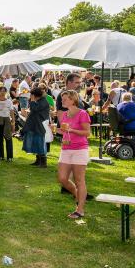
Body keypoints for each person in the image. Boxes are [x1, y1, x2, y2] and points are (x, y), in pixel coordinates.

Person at [56, 90, 91, 219]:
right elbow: (66, 131)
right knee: (62, 178)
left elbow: (87, 133)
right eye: (62, 99)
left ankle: (80, 210)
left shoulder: (82, 114)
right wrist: (57, 130)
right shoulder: (65, 114)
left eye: (65, 99)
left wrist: (71, 130)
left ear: (72, 100)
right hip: (66, 148)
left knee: (79, 180)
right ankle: (78, 195)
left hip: (80, 150)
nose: (62, 101)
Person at [21, 88, 50, 168]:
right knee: (36, 142)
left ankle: (43, 162)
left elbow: (34, 108)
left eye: (32, 95)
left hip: (39, 125)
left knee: (40, 142)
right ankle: (38, 160)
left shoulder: (42, 102)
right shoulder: (40, 101)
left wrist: (32, 100)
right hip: (36, 125)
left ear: (34, 95)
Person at [0, 86, 14, 164]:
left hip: (7, 120)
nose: (2, 92)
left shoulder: (9, 101)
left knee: (8, 138)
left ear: (6, 92)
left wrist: (13, 123)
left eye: (4, 91)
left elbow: (12, 112)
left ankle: (9, 157)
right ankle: (1, 156)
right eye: (1, 91)